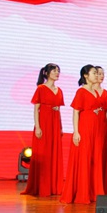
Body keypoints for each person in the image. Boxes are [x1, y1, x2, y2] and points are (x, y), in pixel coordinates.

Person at [22, 63, 64, 197]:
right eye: (54, 71)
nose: (57, 73)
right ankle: (42, 186)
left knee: (54, 153)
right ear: (46, 73)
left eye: (58, 71)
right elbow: (36, 109)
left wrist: (61, 127)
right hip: (44, 123)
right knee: (43, 153)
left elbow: (59, 110)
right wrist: (38, 126)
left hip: (55, 123)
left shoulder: (59, 90)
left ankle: (54, 186)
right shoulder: (41, 88)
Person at [60, 65, 101, 204]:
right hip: (85, 128)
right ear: (85, 75)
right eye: (94, 73)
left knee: (94, 160)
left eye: (97, 73)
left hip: (96, 129)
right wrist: (76, 132)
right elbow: (76, 112)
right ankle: (82, 193)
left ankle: (92, 192)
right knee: (84, 159)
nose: (96, 75)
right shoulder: (81, 91)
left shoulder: (95, 91)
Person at [92, 65, 107, 197]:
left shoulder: (105, 93)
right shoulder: (88, 91)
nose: (101, 76)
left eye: (102, 74)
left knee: (101, 154)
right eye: (98, 73)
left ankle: (100, 184)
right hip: (91, 125)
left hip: (103, 125)